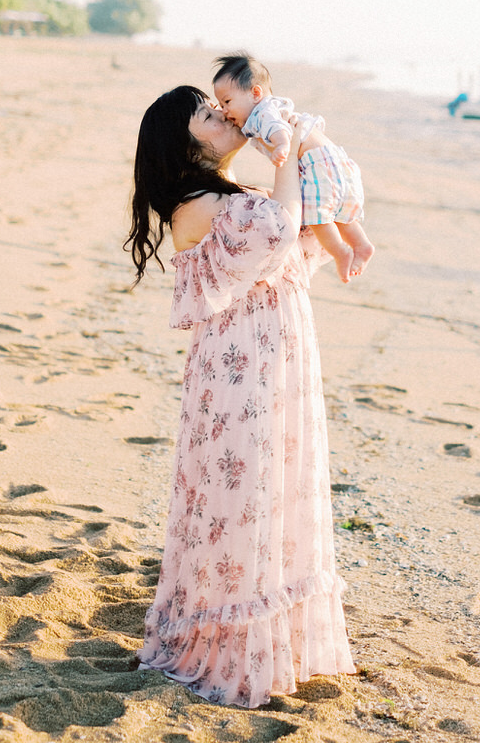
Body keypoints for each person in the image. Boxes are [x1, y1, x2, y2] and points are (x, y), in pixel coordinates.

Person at [124, 86, 355, 708]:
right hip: (240, 364)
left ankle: (273, 633)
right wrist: (280, 154)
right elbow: (278, 233)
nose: (223, 115)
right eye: (206, 114)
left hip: (277, 354)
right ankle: (229, 638)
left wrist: (302, 148)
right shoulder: (193, 206)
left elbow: (306, 226)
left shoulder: (233, 194)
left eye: (217, 106)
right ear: (186, 141)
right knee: (243, 491)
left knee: (279, 482)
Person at [212, 53, 374, 283]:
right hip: (331, 158)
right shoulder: (271, 107)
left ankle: (341, 251)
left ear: (256, 93)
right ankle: (362, 244)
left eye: (227, 102)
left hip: (315, 161)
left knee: (318, 217)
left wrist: (282, 145)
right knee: (336, 213)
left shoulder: (262, 113)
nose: (225, 111)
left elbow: (278, 128)